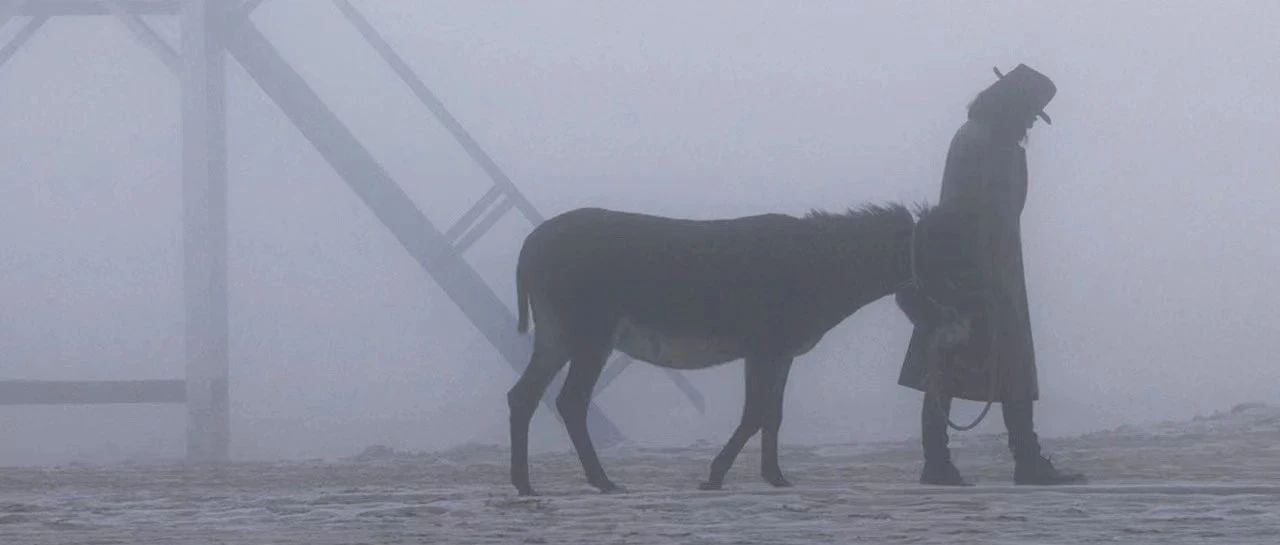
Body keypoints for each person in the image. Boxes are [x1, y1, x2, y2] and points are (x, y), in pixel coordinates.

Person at [896, 64, 1087, 486]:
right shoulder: (995, 144)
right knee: (1008, 363)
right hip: (984, 269)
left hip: (961, 265)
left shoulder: (970, 135)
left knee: (945, 361)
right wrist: (987, 280)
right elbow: (994, 215)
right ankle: (1025, 460)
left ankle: (939, 461)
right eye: (1030, 115)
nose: (1029, 126)